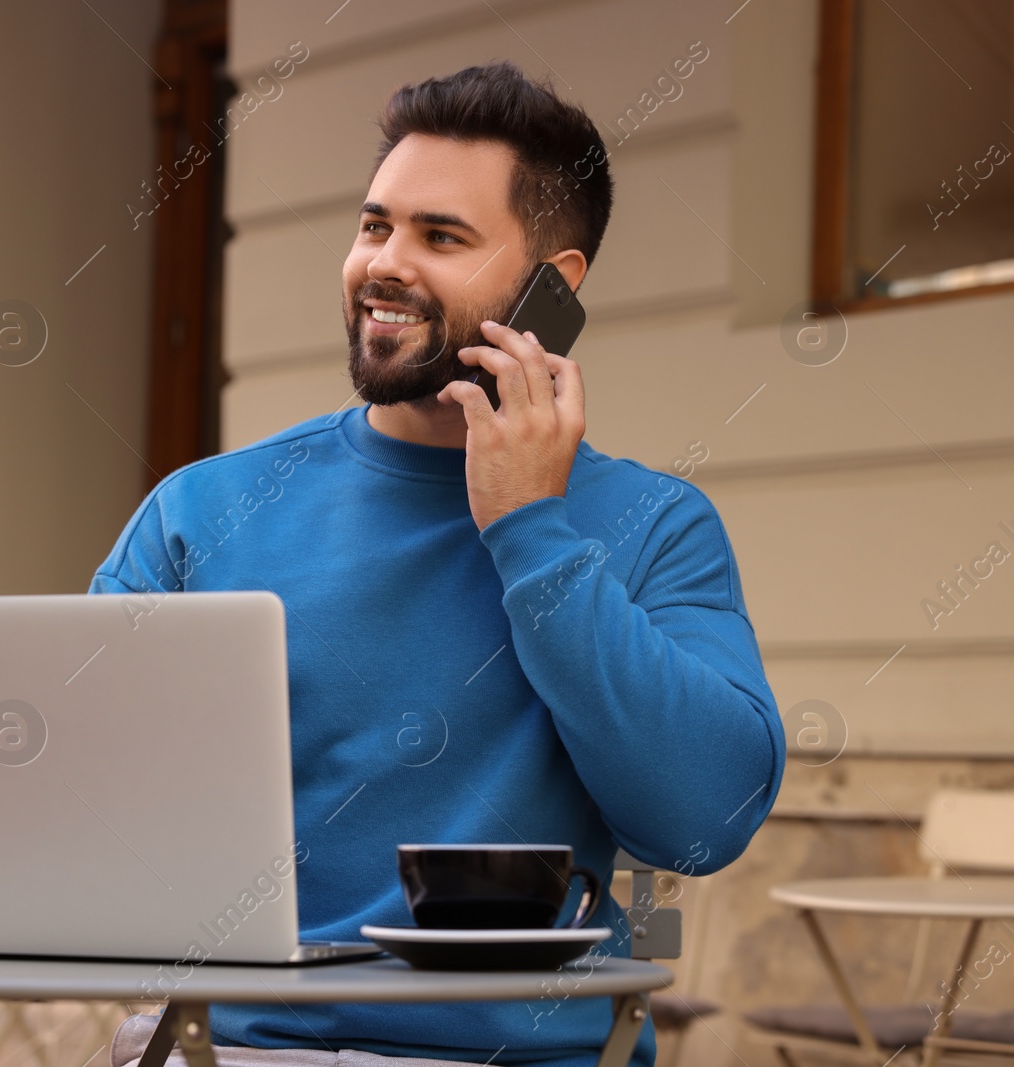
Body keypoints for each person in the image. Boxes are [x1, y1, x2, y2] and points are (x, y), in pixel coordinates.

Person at [89, 60, 785, 1067]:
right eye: (375, 225)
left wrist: (529, 530)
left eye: (440, 236)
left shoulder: (653, 525)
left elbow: (700, 821)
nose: (383, 262)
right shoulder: (202, 510)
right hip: (223, 1049)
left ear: (555, 286)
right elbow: (75, 797)